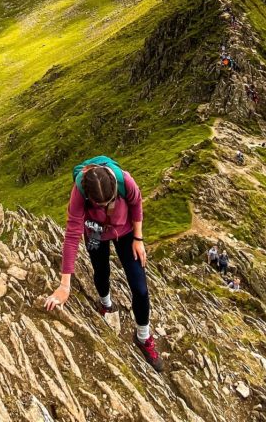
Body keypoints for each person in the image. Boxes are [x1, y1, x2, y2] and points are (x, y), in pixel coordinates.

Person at [44, 157, 163, 372]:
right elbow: (72, 234)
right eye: (100, 204)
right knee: (101, 271)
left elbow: (136, 203)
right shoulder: (80, 191)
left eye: (110, 201)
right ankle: (106, 304)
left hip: (126, 232)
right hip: (95, 232)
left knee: (140, 288)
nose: (107, 206)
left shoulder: (124, 180)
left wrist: (138, 239)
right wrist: (64, 285)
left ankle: (143, 337)